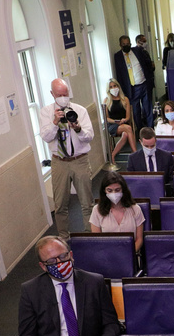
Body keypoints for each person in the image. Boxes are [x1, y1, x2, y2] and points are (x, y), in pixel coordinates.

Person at [39, 79, 94, 240]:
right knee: (60, 204)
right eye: (59, 95)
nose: (63, 98)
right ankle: (63, 236)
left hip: (80, 160)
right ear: (52, 94)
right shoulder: (46, 113)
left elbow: (89, 136)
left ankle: (91, 235)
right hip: (59, 162)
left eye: (65, 94)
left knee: (87, 202)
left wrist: (78, 128)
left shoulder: (80, 111)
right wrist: (55, 122)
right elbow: (46, 137)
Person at [89, 171, 146, 252]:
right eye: (109, 190)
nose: (114, 193)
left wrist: (129, 255)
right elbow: (97, 242)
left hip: (131, 254)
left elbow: (139, 240)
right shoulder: (96, 210)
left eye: (117, 190)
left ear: (123, 190)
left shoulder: (135, 209)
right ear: (104, 191)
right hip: (107, 254)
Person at [113, 35, 154, 130]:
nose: (126, 46)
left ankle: (151, 129)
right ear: (120, 45)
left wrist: (150, 79)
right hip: (132, 88)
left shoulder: (137, 51)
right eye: (124, 44)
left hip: (143, 84)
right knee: (136, 111)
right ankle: (140, 130)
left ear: (130, 43)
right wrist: (123, 91)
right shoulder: (118, 56)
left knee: (148, 108)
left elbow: (147, 65)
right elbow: (120, 75)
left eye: (128, 44)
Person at [126, 127, 174, 199]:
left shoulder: (167, 156)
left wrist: (164, 190)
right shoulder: (133, 159)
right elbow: (130, 182)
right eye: (146, 146)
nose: (149, 149)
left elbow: (173, 180)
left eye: (152, 146)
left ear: (156, 141)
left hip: (162, 195)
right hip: (141, 195)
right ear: (140, 142)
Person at [103, 79, 135, 162]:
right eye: (111, 87)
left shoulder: (125, 99)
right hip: (112, 124)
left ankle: (113, 155)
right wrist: (115, 121)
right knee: (128, 128)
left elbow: (128, 117)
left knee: (125, 134)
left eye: (115, 86)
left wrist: (124, 120)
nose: (113, 88)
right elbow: (106, 118)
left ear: (118, 86)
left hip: (123, 123)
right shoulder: (106, 101)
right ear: (108, 89)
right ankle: (135, 153)